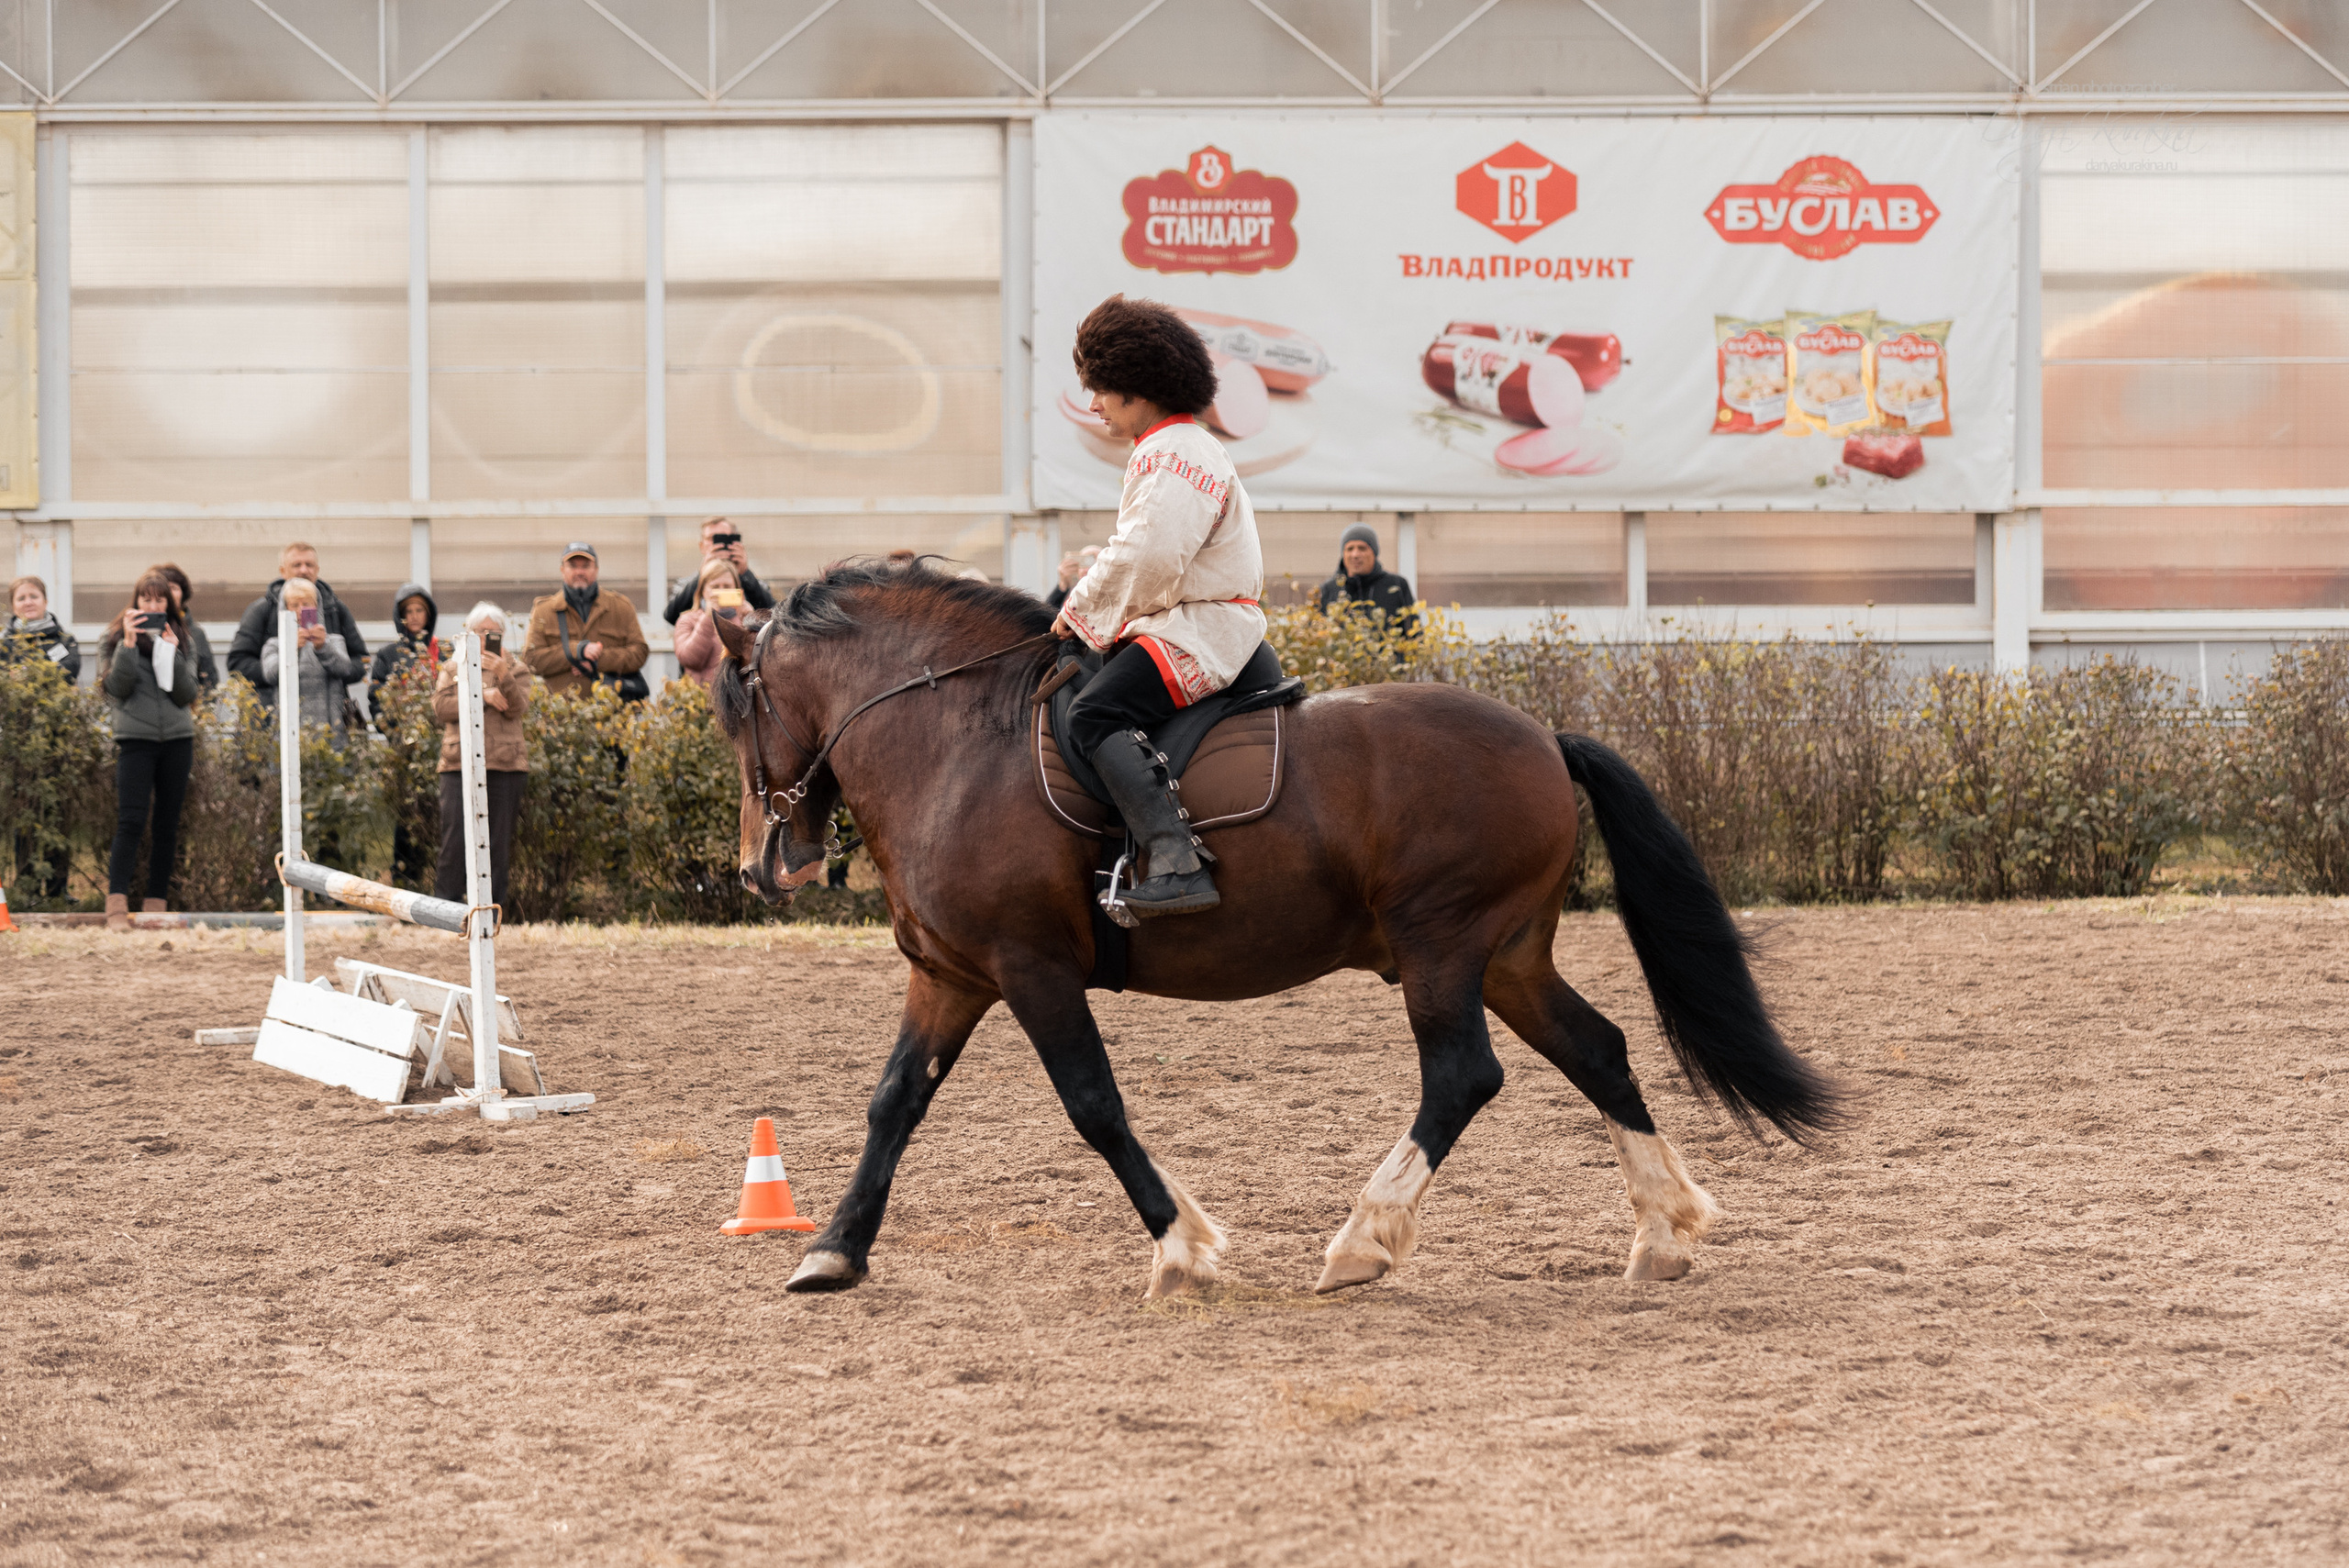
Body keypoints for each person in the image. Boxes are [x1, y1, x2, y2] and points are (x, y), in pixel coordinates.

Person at [1051, 295, 1265, 918]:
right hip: (1195, 620)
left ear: (1136, 386)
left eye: (1100, 389)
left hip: (1199, 629)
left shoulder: (1170, 451)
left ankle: (1177, 863)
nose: (1094, 404)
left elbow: (1147, 558)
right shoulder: (1181, 445)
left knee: (1094, 714)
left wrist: (1078, 612)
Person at [99, 571, 200, 930]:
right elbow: (117, 688)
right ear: (136, 601)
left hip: (177, 740)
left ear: (169, 604)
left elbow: (187, 694)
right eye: (147, 599)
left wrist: (171, 653)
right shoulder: (113, 638)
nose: (153, 605)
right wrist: (128, 644)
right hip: (135, 740)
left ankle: (156, 905)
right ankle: (116, 907)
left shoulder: (183, 638)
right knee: (130, 821)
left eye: (160, 599)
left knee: (167, 825)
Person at [432, 604, 529, 909]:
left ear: (503, 635)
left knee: (497, 842)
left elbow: (518, 708)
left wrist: (503, 675)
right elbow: (441, 709)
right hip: (457, 763)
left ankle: (491, 910)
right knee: (454, 838)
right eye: (480, 631)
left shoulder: (516, 668)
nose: (486, 638)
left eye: (493, 633)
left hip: (505, 764)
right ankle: (446, 907)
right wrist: (481, 695)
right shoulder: (453, 667)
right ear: (469, 633)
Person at [228, 541, 367, 705]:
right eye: (296, 565)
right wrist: (280, 671)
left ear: (317, 570)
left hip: (329, 711)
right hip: (275, 709)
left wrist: (329, 668)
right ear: (282, 571)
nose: (304, 570)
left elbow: (360, 661)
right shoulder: (262, 610)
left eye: (309, 565)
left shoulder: (335, 608)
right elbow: (238, 662)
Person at [522, 542, 649, 700]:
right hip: (562, 712)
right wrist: (577, 650)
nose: (579, 572)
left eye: (586, 566)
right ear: (562, 570)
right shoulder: (544, 611)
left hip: (611, 710)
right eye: (573, 566)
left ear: (596, 569)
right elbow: (531, 660)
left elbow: (639, 653)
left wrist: (598, 661)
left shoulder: (621, 607)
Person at [260, 578, 360, 741]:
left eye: (307, 604)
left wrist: (322, 647)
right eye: (294, 605)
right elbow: (270, 674)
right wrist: (292, 649)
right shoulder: (275, 645)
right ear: (284, 608)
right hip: (289, 736)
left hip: (331, 734)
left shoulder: (334, 641)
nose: (301, 610)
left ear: (317, 607)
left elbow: (345, 669)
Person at [663, 517, 777, 627]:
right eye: (711, 539)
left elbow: (773, 616)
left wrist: (745, 574)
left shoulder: (752, 582)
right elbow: (671, 616)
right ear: (702, 546)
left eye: (722, 538)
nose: (718, 545)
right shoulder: (686, 584)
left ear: (735, 541)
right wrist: (702, 576)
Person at [1315, 523, 1418, 636]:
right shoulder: (1327, 590)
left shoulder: (1396, 585)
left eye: (1362, 548)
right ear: (1343, 554)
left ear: (1374, 553)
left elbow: (1414, 633)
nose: (1355, 555)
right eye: (1349, 549)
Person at [368, 582, 441, 715]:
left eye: (419, 610)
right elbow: (377, 700)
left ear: (428, 614)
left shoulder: (443, 651)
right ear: (401, 616)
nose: (414, 616)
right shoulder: (388, 655)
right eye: (408, 611)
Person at [672, 556, 745, 689]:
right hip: (701, 698)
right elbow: (690, 660)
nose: (721, 591)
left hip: (738, 697)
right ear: (703, 591)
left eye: (727, 586)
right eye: (715, 587)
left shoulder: (744, 619)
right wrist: (708, 618)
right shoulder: (687, 620)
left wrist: (749, 618)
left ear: (737, 589)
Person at [150, 564, 219, 693]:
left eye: (173, 588)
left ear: (183, 594)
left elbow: (210, 681)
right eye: (164, 588)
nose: (169, 593)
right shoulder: (143, 632)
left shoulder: (196, 634)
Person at [4, 575, 81, 684]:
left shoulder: (65, 640)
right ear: (13, 606)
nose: (28, 603)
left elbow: (70, 671)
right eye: (21, 599)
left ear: (45, 601)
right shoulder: (4, 645)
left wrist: (25, 674)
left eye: (34, 597)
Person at [1044, 546, 1102, 612]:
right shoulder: (1071, 594)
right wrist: (1063, 586)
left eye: (1094, 565)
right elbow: (1047, 613)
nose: (1087, 570)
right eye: (1084, 564)